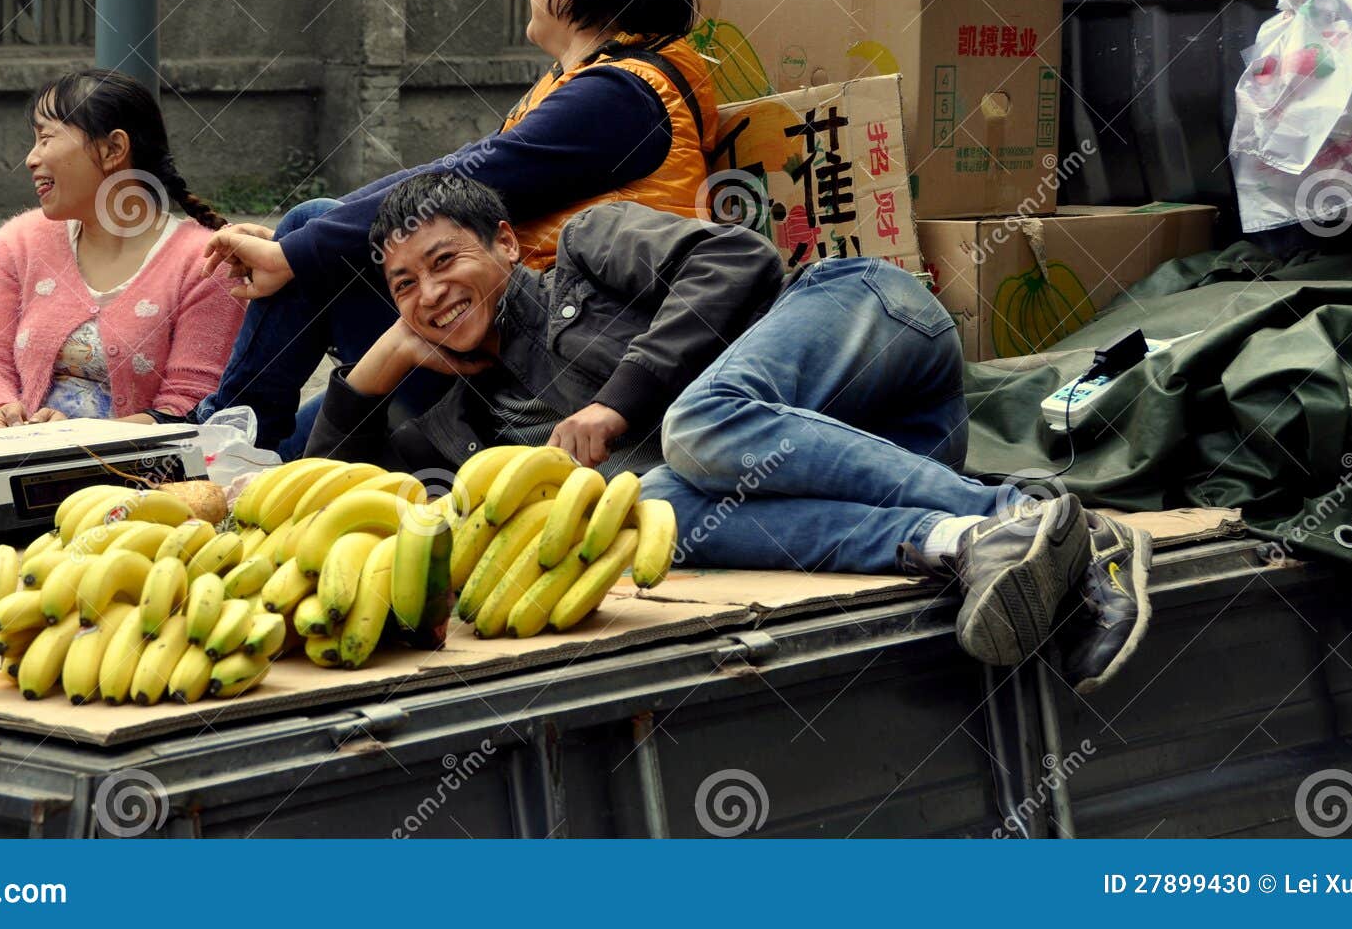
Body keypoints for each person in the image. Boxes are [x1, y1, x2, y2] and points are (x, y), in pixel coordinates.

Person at [305, 170, 1153, 691]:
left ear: (503, 243)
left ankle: (1017, 505)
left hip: (866, 329)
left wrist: (617, 402)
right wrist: (373, 370)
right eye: (403, 285)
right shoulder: (466, 428)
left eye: (445, 261)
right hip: (872, 468)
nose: (428, 294)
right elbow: (321, 494)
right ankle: (968, 536)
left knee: (696, 426)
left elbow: (735, 262)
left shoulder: (591, 246)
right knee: (657, 507)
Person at [193, 0, 718, 458]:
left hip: (548, 351)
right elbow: (455, 184)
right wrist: (302, 248)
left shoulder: (621, 96)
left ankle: (222, 438)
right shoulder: (605, 81)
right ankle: (233, 447)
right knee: (299, 449)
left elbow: (470, 175)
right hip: (507, 328)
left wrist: (297, 253)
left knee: (312, 228)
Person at [0, 70, 246, 430]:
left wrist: (78, 438)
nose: (31, 159)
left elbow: (190, 406)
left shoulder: (204, 261)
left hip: (140, 481)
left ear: (112, 149)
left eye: (46, 139)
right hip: (21, 466)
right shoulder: (19, 242)